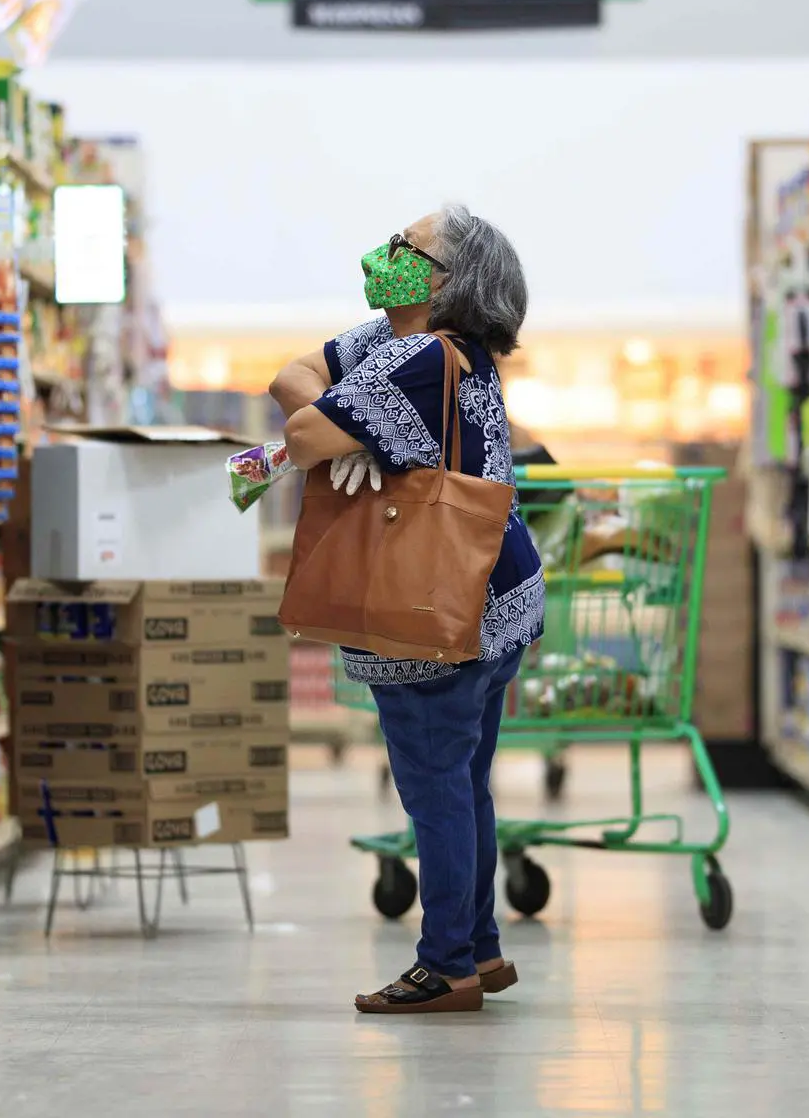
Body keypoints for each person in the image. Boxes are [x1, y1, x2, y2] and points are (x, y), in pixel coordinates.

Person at [270, 204, 544, 1015]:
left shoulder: (420, 356)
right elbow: (292, 372)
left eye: (408, 246)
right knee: (466, 786)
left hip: (437, 610)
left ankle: (447, 965)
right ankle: (483, 949)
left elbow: (299, 430)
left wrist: (341, 428)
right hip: (495, 591)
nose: (386, 252)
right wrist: (350, 426)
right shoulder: (426, 348)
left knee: (434, 791)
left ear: (448, 281)